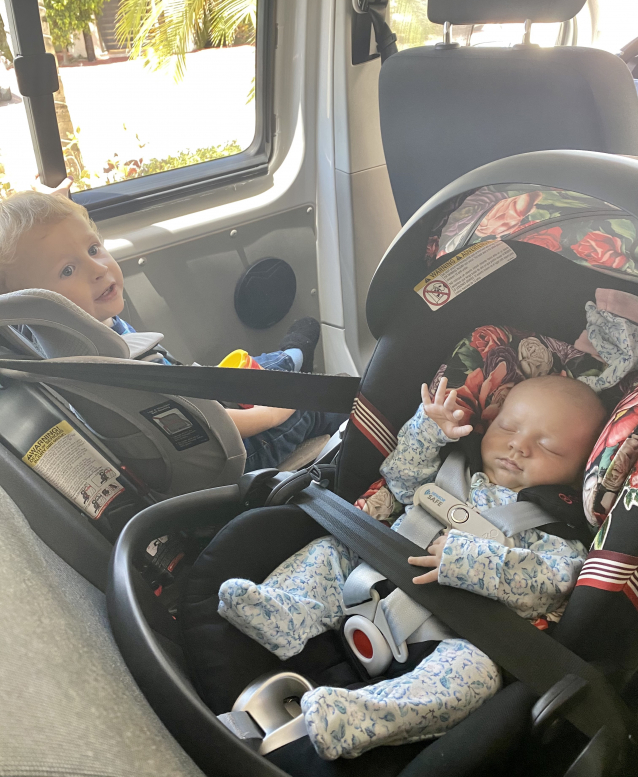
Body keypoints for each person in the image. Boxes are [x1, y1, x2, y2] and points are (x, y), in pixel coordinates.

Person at [216, 375, 607, 759]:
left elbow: (554, 582)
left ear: (579, 474)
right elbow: (401, 481)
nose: (518, 446)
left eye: (548, 448)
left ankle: (358, 718)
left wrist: (470, 562)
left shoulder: (554, 528)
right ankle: (285, 613)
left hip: (450, 636)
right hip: (367, 577)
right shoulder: (455, 466)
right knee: (328, 552)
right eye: (507, 427)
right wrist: (428, 429)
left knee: (479, 677)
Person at [0, 190, 344, 471]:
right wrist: (274, 412)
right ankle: (297, 366)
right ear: (32, 303)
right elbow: (215, 423)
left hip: (195, 411)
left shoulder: (43, 345)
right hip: (240, 450)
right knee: (318, 402)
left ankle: (288, 358)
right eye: (67, 270)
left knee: (254, 365)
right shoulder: (124, 366)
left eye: (93, 248)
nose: (98, 268)